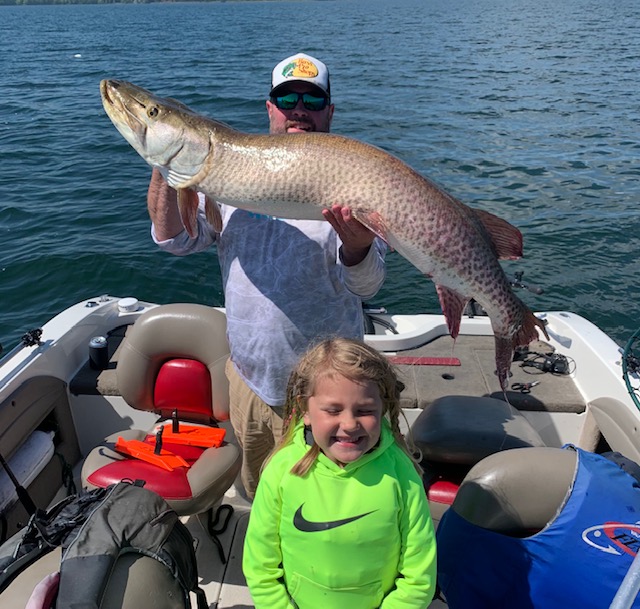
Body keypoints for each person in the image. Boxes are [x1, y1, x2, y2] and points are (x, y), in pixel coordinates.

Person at [147, 53, 387, 499]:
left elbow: (367, 286)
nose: (300, 109)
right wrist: (169, 163)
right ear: (270, 107)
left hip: (332, 389)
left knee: (333, 504)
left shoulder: (354, 176)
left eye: (313, 100)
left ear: (330, 112)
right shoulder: (228, 170)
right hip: (251, 380)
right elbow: (175, 239)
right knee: (263, 497)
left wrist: (358, 246)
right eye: (287, 99)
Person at [243, 338, 437, 609]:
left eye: (365, 410)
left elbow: (419, 574)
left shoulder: (401, 473)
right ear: (305, 410)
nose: (349, 424)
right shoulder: (281, 469)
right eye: (333, 410)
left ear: (383, 408)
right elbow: (260, 565)